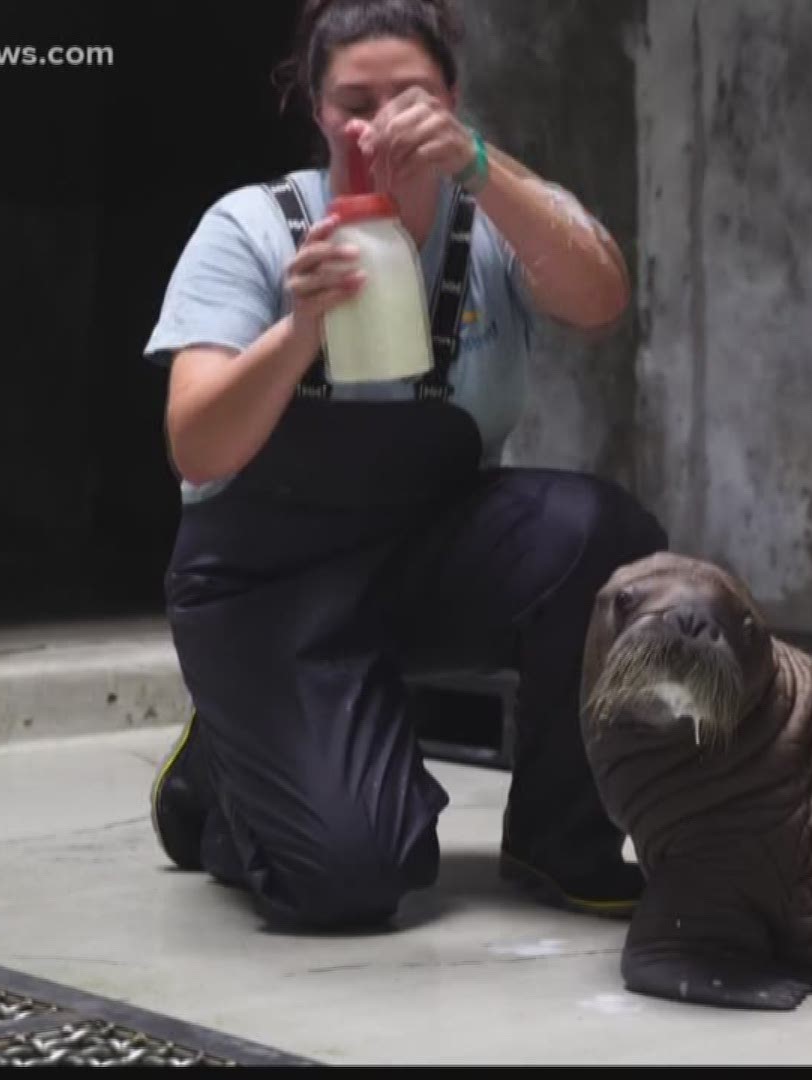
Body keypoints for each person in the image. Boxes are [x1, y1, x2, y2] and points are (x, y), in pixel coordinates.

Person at [141, 0, 667, 932]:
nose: (381, 121)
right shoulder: (255, 229)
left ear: (454, 100)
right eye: (356, 100)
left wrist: (477, 162)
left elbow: (601, 297)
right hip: (269, 587)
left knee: (606, 535)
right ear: (315, 110)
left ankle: (559, 837)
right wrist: (299, 327)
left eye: (412, 97)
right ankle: (222, 777)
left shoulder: (492, 219)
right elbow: (198, 442)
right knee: (353, 880)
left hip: (423, 557)